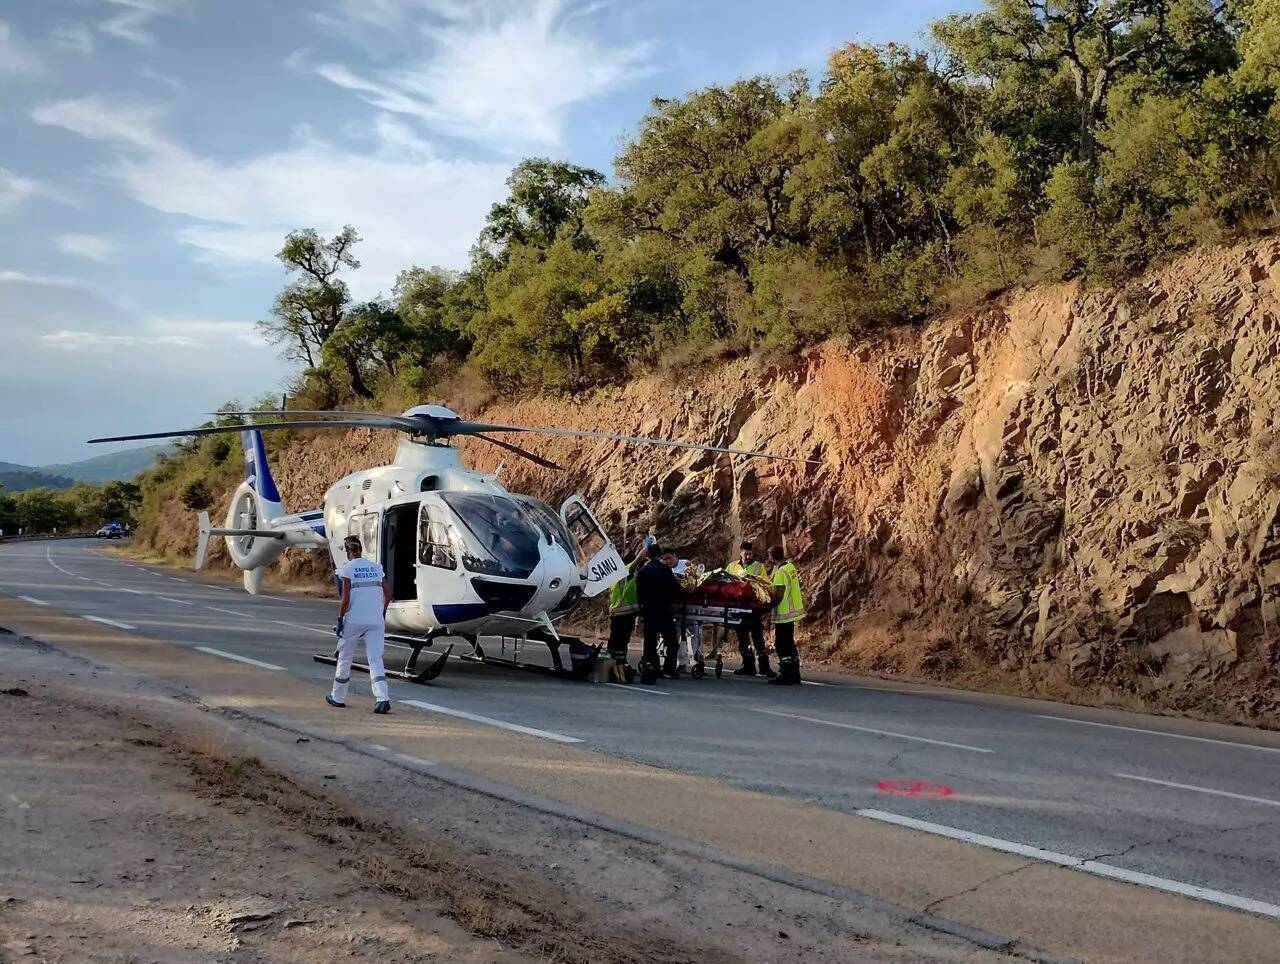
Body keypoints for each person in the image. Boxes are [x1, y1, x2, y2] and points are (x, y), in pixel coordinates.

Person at [327, 534, 393, 713]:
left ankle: (338, 696)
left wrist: (340, 620)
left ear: (348, 551)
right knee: (375, 658)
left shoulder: (347, 569)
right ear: (360, 549)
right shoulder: (376, 568)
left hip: (354, 620)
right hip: (375, 620)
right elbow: (388, 594)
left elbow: (345, 599)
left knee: (345, 657)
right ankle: (382, 698)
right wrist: (382, 612)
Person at [726, 540, 774, 678]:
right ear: (740, 553)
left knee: (758, 639)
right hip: (738, 607)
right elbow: (726, 583)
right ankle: (748, 666)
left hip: (753, 608)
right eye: (745, 554)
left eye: (749, 554)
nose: (747, 556)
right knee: (743, 639)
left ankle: (764, 667)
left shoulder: (759, 566)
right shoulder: (732, 566)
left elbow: (764, 584)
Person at [636, 544, 681, 684]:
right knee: (671, 641)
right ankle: (668, 669)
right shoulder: (665, 570)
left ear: (648, 555)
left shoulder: (643, 571)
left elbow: (639, 593)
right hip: (663, 610)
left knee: (650, 642)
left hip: (648, 610)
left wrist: (641, 609)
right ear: (660, 555)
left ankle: (651, 666)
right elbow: (675, 589)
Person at [606, 542, 649, 680]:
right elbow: (638, 560)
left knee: (616, 642)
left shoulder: (614, 575)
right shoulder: (625, 572)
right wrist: (646, 548)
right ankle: (618, 668)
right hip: (624, 614)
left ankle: (615, 668)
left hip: (616, 613)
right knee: (620, 642)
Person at [766, 545, 805, 686]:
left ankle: (786, 673)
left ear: (772, 556)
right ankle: (795, 674)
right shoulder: (789, 567)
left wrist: (767, 606)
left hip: (784, 613)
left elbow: (778, 595)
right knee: (789, 643)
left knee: (781, 644)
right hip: (792, 612)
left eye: (769, 555)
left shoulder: (781, 572)